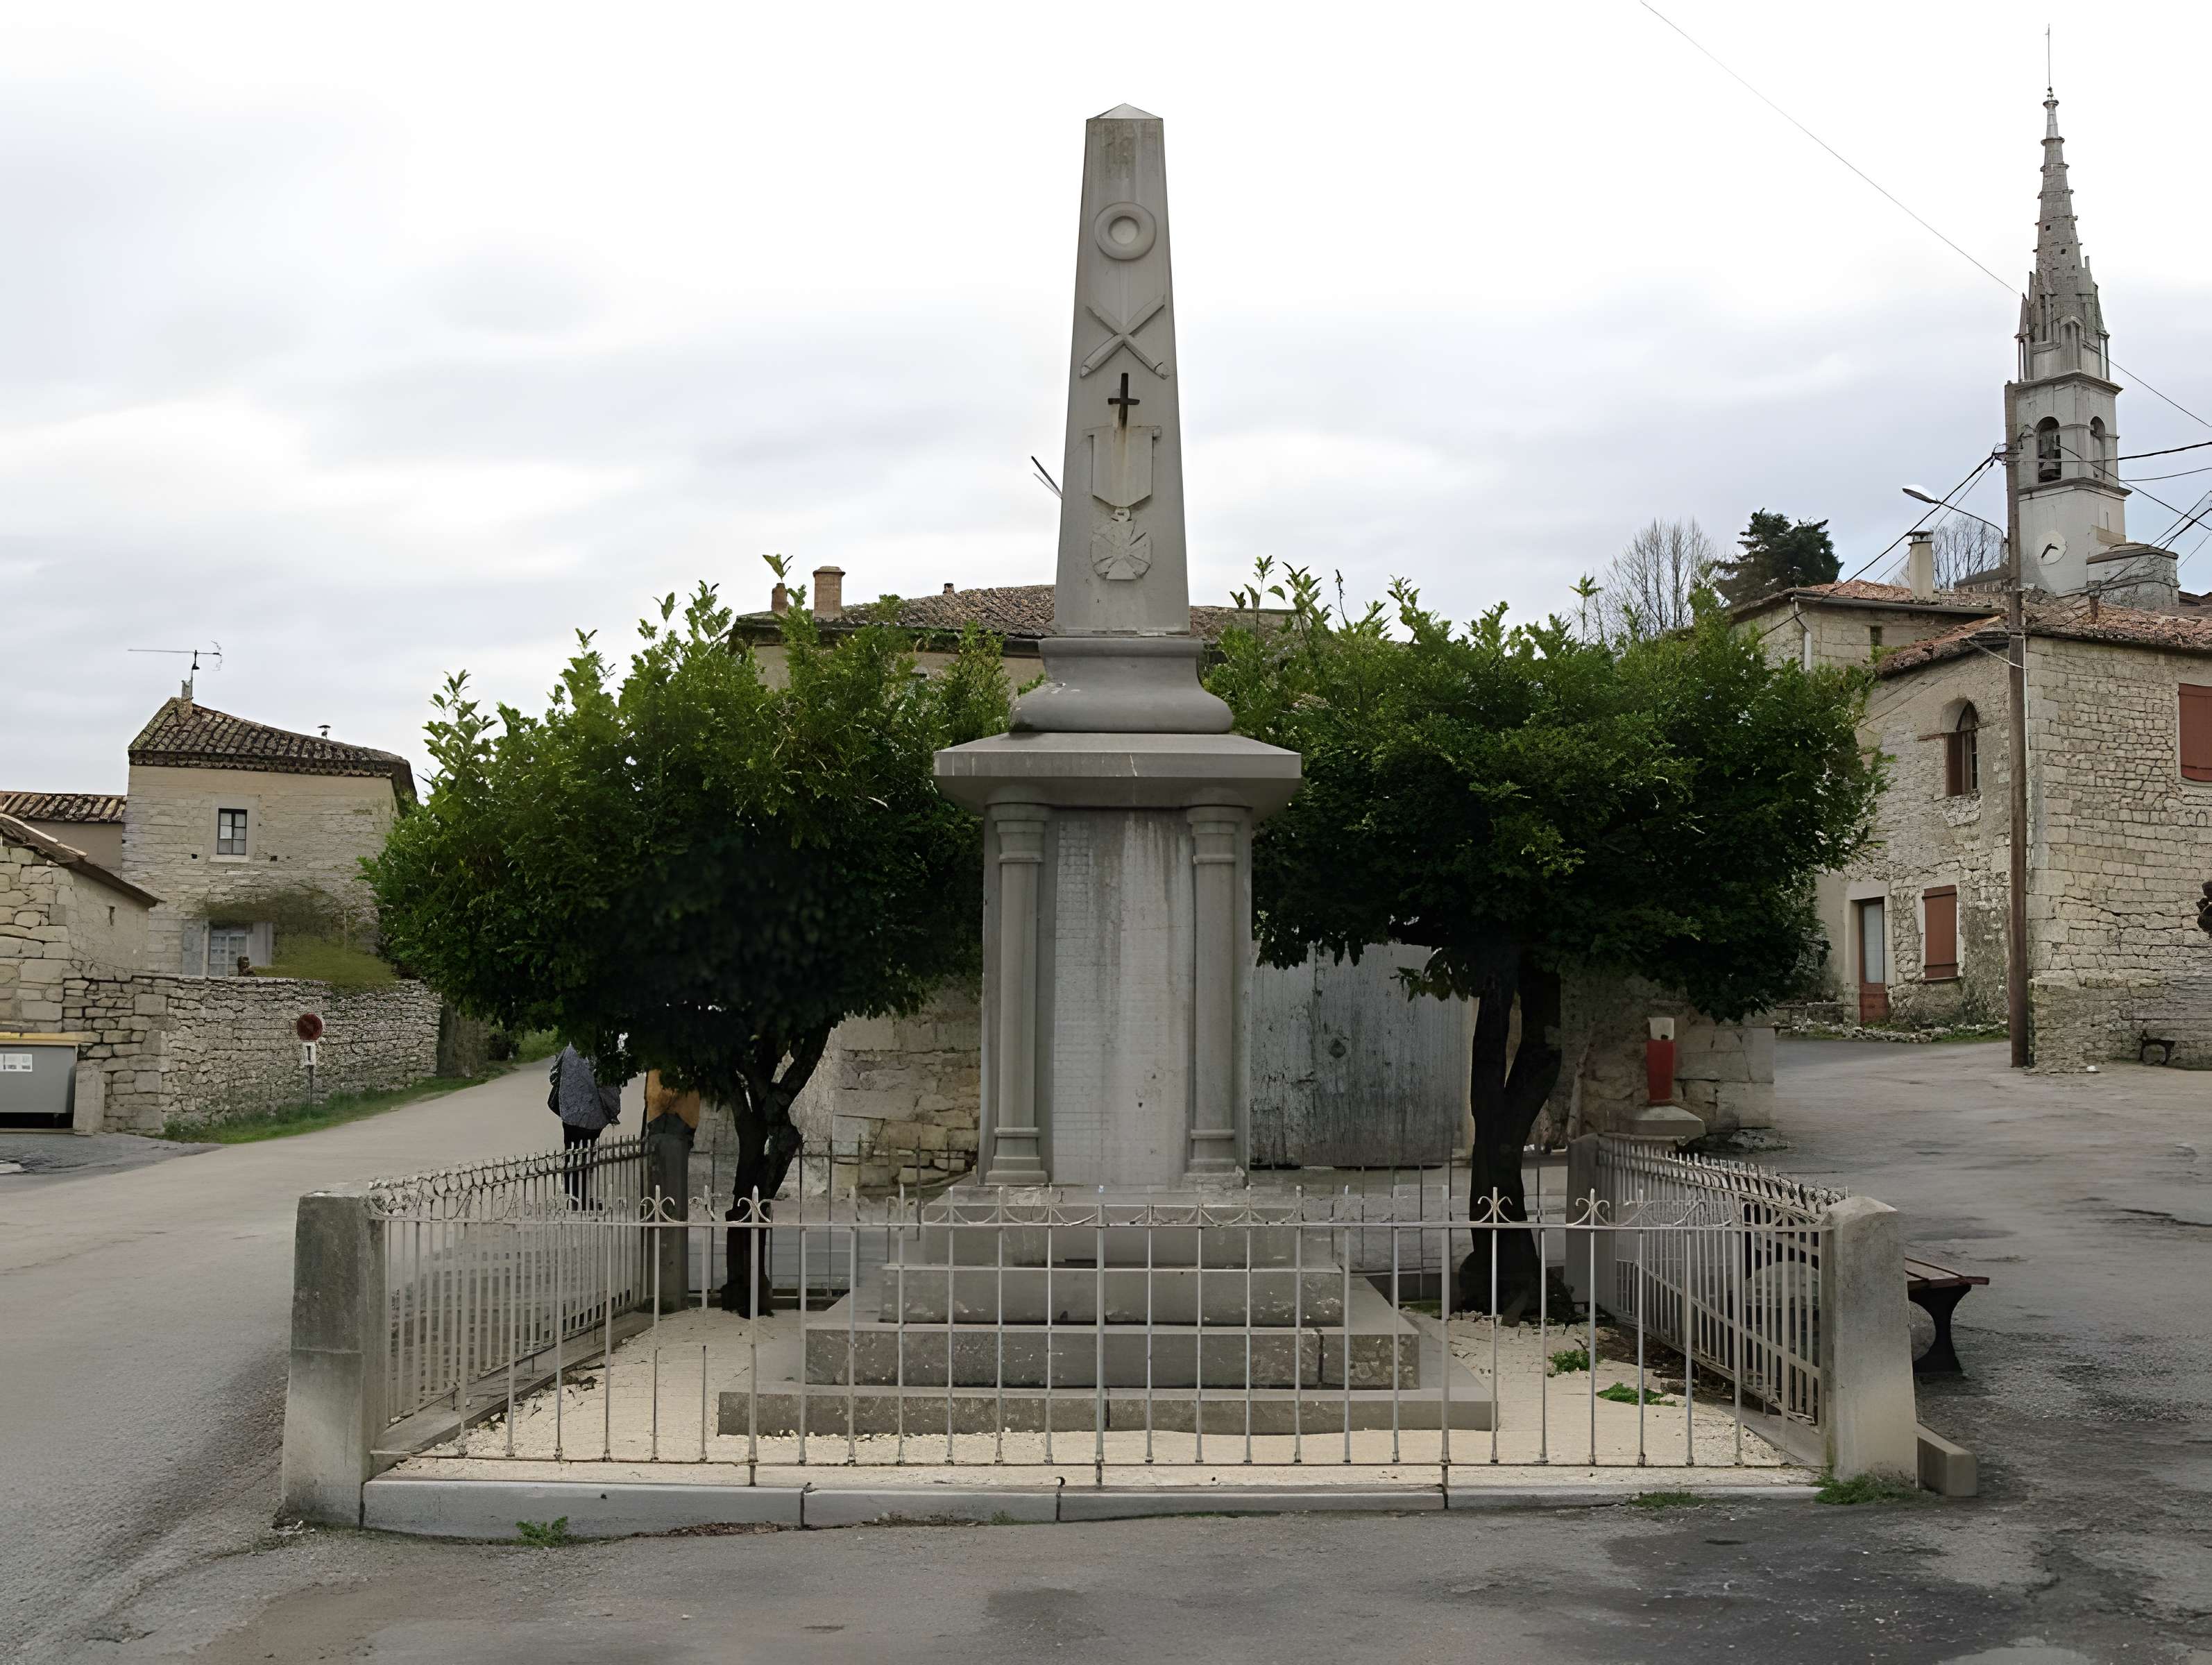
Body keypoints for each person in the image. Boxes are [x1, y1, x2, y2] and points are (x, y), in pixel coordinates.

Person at [549, 1043, 623, 1206]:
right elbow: (608, 1087)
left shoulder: (569, 1048)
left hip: (569, 1114)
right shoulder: (600, 1052)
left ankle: (573, 1199)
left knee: (572, 1156)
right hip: (591, 1117)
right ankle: (581, 1201)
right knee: (584, 1157)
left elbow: (554, 1076)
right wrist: (613, 1111)